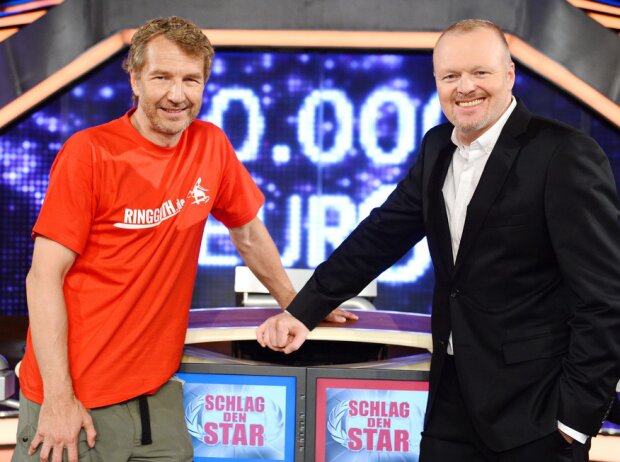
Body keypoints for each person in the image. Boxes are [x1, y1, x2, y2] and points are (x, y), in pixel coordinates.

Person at [257, 19, 620, 461]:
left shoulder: (563, 154)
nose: (465, 87)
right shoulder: (436, 147)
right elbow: (381, 234)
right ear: (436, 81)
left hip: (535, 412)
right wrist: (305, 309)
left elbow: (605, 298)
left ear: (509, 74)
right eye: (451, 76)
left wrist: (575, 419)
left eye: (480, 72)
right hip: (451, 403)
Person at [13, 16, 355, 462]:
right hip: (75, 398)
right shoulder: (89, 153)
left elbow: (249, 234)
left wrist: (298, 304)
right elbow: (43, 278)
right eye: (162, 77)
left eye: (191, 80)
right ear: (135, 79)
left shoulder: (210, 145)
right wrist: (59, 399)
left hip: (157, 395)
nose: (177, 95)